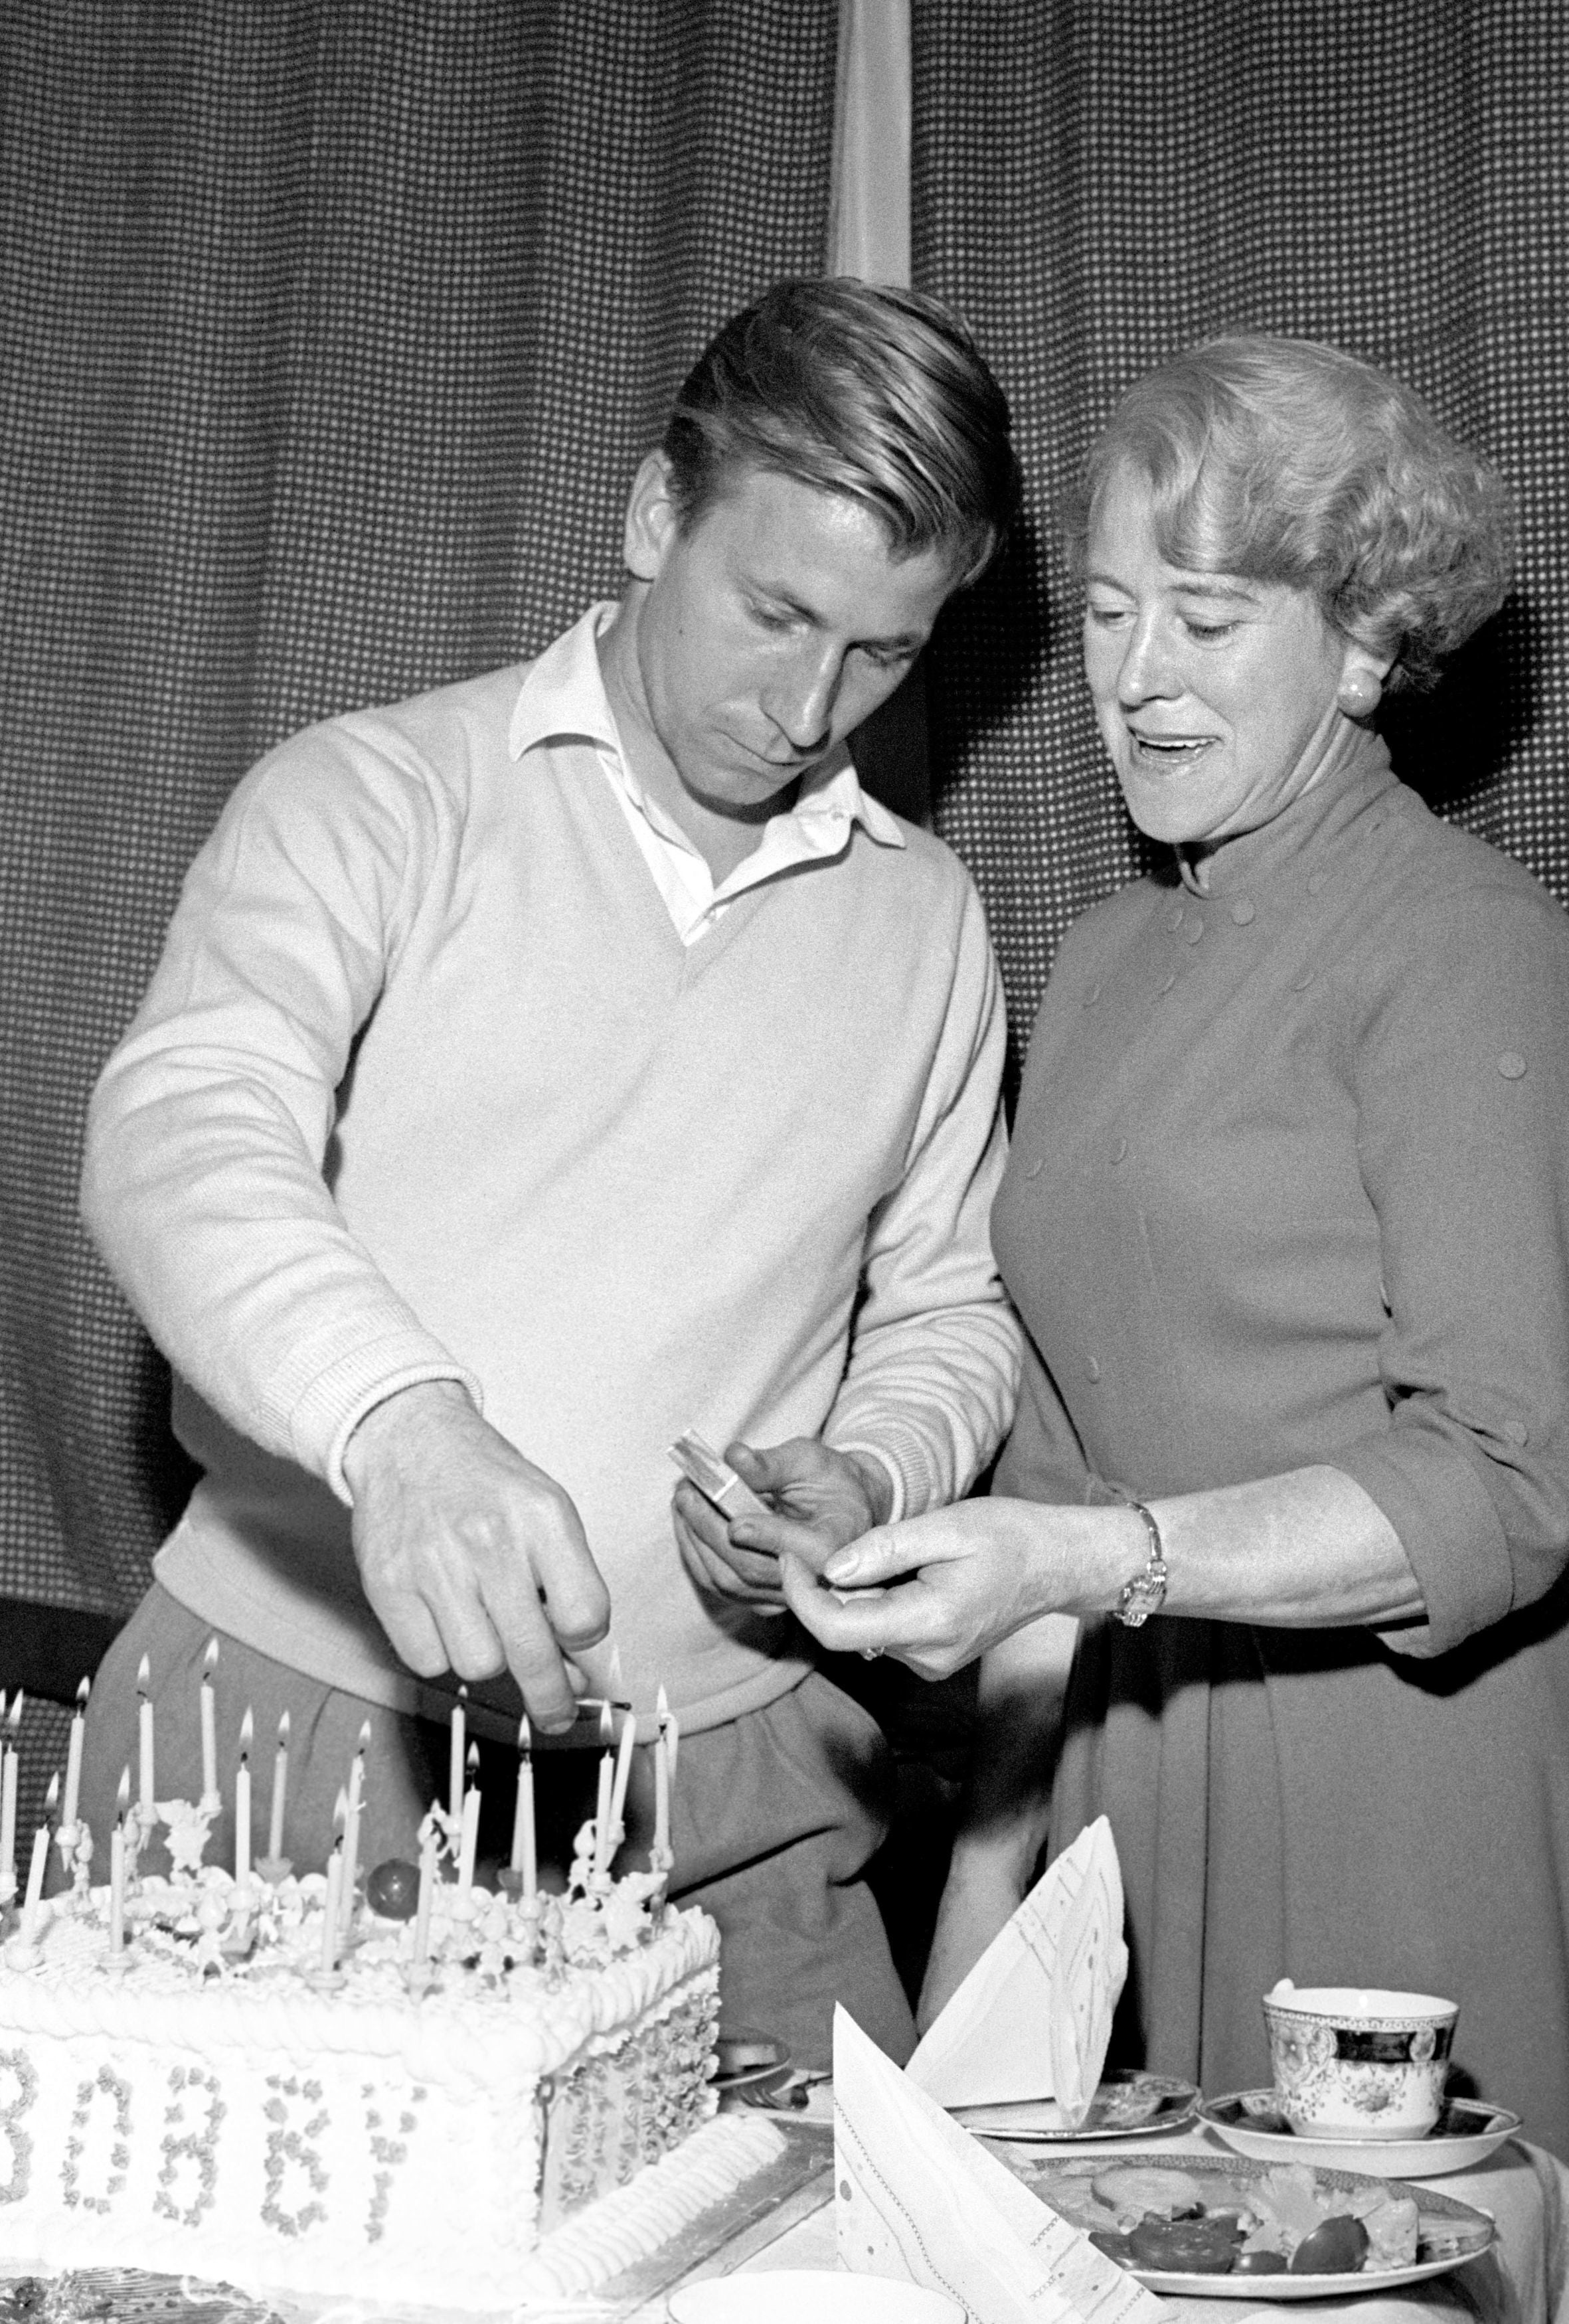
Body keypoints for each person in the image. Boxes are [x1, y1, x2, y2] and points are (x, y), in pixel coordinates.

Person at [758, 338, 1569, 2313]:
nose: (1134, 675)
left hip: (1417, 1803)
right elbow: (1054, 1478)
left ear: (1363, 646)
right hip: (1134, 1779)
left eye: (1207, 616)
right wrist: (971, 1952)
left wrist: (1101, 1559)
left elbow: (1498, 1482)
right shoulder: (1105, 961)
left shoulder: (1469, 955)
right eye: (1107, 613)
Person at [76, 278, 1024, 2068]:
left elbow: (950, 1301)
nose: (808, 702)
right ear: (656, 516)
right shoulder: (370, 797)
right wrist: (402, 1429)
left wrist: (871, 1466)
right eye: (774, 612)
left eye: (885, 653)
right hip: (284, 1738)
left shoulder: (926, 918)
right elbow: (180, 1126)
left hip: (733, 1794)